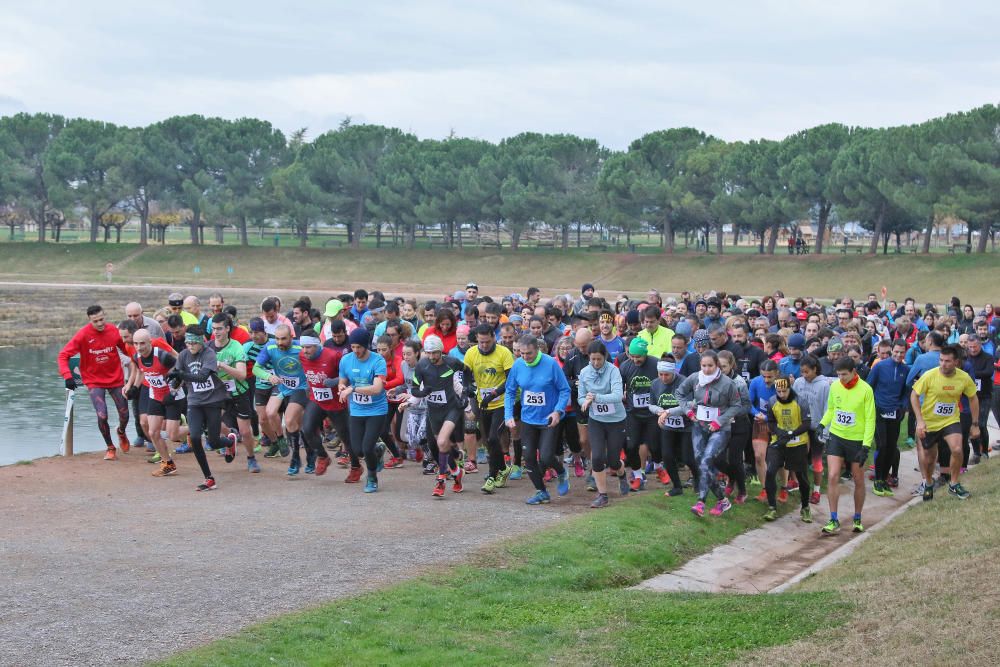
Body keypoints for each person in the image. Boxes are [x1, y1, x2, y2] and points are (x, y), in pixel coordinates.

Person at [670, 350, 742, 517]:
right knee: (699, 461)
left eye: (710, 365)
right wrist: (688, 411)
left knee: (706, 461)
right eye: (704, 365)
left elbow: (736, 405)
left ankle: (701, 502)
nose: (707, 369)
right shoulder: (695, 378)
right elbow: (679, 393)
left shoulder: (727, 383)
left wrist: (720, 420)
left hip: (720, 429)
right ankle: (722, 501)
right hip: (699, 426)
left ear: (717, 365)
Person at [168, 325, 237, 491]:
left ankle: (229, 441)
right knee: (196, 437)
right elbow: (178, 377)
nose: (190, 346)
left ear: (201, 342)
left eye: (193, 343)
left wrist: (181, 375)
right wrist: (173, 381)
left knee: (213, 442)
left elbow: (202, 376)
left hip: (213, 401)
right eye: (187, 343)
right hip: (195, 402)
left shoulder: (209, 354)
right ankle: (209, 478)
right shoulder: (184, 355)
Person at [505, 334, 572, 505]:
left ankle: (561, 472)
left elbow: (565, 390)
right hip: (528, 419)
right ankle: (541, 492)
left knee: (546, 457)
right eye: (522, 353)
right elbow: (510, 391)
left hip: (549, 419)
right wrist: (508, 415)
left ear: (538, 350)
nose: (525, 357)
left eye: (529, 353)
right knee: (528, 458)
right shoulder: (518, 365)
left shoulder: (550, 364)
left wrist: (558, 411)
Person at [58, 305, 131, 460]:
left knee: (124, 414)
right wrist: (67, 376)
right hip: (94, 381)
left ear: (105, 316)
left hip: (116, 379)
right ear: (90, 320)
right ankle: (110, 448)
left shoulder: (113, 331)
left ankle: (121, 432)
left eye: (101, 319)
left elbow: (127, 349)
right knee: (102, 414)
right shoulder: (83, 335)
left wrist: (139, 361)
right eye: (95, 321)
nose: (99, 323)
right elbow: (63, 355)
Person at [910, 344, 978, 501]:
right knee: (929, 458)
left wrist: (975, 424)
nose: (943, 364)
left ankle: (954, 485)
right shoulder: (929, 375)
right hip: (929, 422)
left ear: (956, 362)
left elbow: (973, 397)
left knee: (957, 449)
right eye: (941, 360)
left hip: (950, 420)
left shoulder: (963, 377)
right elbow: (914, 395)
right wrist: (919, 421)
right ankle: (928, 483)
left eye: (947, 361)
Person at [818, 357, 875, 535]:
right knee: (833, 475)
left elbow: (870, 419)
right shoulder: (835, 386)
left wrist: (866, 446)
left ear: (853, 371)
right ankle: (833, 519)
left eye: (844, 374)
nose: (841, 378)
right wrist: (821, 424)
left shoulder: (866, 390)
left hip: (857, 441)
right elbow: (832, 409)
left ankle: (857, 518)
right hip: (837, 436)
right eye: (838, 374)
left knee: (858, 479)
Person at [410, 335, 468, 497]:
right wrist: (422, 393)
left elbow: (467, 371)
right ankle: (457, 473)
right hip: (434, 411)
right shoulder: (422, 366)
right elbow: (415, 389)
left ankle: (441, 480)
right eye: (428, 353)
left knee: (442, 441)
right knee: (442, 446)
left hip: (452, 407)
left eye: (435, 353)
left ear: (441, 351)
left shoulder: (451, 362)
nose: (431, 357)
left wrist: (466, 392)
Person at [463, 324, 516, 494]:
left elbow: (510, 381)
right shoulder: (471, 353)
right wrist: (468, 387)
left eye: (487, 341)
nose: (484, 345)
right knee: (487, 441)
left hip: (501, 403)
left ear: (494, 337)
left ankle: (492, 477)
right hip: (482, 403)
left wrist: (493, 394)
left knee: (494, 438)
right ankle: (503, 468)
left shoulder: (504, 353)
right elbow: (465, 376)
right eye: (481, 342)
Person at [338, 328, 389, 493]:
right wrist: (341, 388)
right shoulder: (346, 360)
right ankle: (378, 450)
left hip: (377, 410)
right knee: (357, 450)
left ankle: (372, 477)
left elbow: (376, 389)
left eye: (358, 347)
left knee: (366, 448)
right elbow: (342, 381)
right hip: (357, 411)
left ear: (366, 346)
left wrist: (352, 389)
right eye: (352, 347)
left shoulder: (378, 361)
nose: (355, 351)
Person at [578, 340, 629, 507]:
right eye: (592, 359)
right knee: (598, 457)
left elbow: (617, 396)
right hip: (597, 420)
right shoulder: (584, 373)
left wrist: (595, 398)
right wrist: (584, 401)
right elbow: (580, 397)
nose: (595, 363)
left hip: (616, 420)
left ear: (605, 357)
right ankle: (602, 495)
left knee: (613, 461)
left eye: (599, 359)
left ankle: (622, 475)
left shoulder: (613, 371)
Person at [253, 325, 308, 475]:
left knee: (296, 423)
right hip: (282, 386)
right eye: (277, 338)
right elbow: (255, 368)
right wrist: (268, 376)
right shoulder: (270, 347)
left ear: (291, 337)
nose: (279, 342)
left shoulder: (301, 347)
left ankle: (302, 455)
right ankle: (281, 440)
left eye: (283, 339)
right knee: (270, 413)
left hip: (301, 388)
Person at [210, 313, 260, 473]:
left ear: (227, 329)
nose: (216, 332)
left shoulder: (236, 346)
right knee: (214, 424)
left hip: (239, 392)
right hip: (219, 394)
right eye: (213, 329)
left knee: (245, 431)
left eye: (219, 329)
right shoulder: (208, 347)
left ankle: (251, 458)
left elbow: (242, 374)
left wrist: (223, 366)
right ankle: (230, 439)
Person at [124, 329, 178, 477]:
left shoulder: (162, 355)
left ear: (150, 342)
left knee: (172, 435)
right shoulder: (136, 356)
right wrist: (135, 387)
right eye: (136, 343)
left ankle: (193, 429)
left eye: (142, 343)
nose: (139, 347)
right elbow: (141, 371)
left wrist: (172, 390)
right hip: (155, 395)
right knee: (153, 432)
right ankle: (168, 463)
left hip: (173, 396)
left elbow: (179, 368)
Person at [763, 377, 813, 523]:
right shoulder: (772, 401)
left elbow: (807, 423)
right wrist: (779, 432)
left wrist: (791, 434)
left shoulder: (800, 401)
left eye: (784, 391)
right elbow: (771, 422)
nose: (782, 394)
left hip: (797, 443)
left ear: (790, 388)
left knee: (801, 476)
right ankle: (772, 507)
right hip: (778, 441)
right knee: (770, 471)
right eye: (779, 391)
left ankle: (805, 507)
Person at [299, 333, 350, 478]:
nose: (305, 351)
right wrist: (308, 386)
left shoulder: (334, 356)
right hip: (317, 400)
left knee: (346, 439)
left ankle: (356, 467)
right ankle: (322, 456)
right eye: (303, 347)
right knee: (307, 429)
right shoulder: (302, 356)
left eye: (308, 347)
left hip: (336, 403)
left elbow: (347, 374)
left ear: (317, 345)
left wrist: (335, 381)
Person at [866, 339, 909, 496]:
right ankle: (877, 479)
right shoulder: (879, 366)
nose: (898, 354)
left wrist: (902, 407)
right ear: (892, 350)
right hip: (879, 410)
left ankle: (884, 478)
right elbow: (868, 387)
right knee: (882, 445)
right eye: (896, 351)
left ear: (905, 352)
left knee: (891, 446)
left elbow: (906, 391)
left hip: (895, 412)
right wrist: (870, 407)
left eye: (901, 352)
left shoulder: (906, 369)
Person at [619, 338, 661, 491]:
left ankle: (658, 466)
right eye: (632, 356)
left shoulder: (655, 364)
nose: (635, 359)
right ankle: (638, 476)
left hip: (652, 413)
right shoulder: (625, 367)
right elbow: (618, 386)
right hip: (633, 413)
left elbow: (665, 382)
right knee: (631, 447)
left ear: (645, 354)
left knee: (655, 444)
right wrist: (621, 394)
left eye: (639, 357)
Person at [792, 355, 832, 504]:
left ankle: (816, 490)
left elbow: (828, 409)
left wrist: (825, 430)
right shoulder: (798, 382)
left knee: (816, 460)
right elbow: (793, 402)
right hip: (801, 426)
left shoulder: (824, 386)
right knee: (798, 457)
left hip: (817, 428)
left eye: (807, 372)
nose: (804, 375)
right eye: (802, 372)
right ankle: (799, 484)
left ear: (815, 369)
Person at [648, 357, 688, 498]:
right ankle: (677, 486)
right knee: (667, 456)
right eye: (660, 374)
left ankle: (698, 479)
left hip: (686, 425)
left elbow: (687, 406)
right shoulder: (655, 384)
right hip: (667, 425)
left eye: (667, 375)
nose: (663, 378)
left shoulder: (683, 382)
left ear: (673, 373)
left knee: (688, 458)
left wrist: (668, 412)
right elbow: (650, 404)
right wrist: (659, 411)